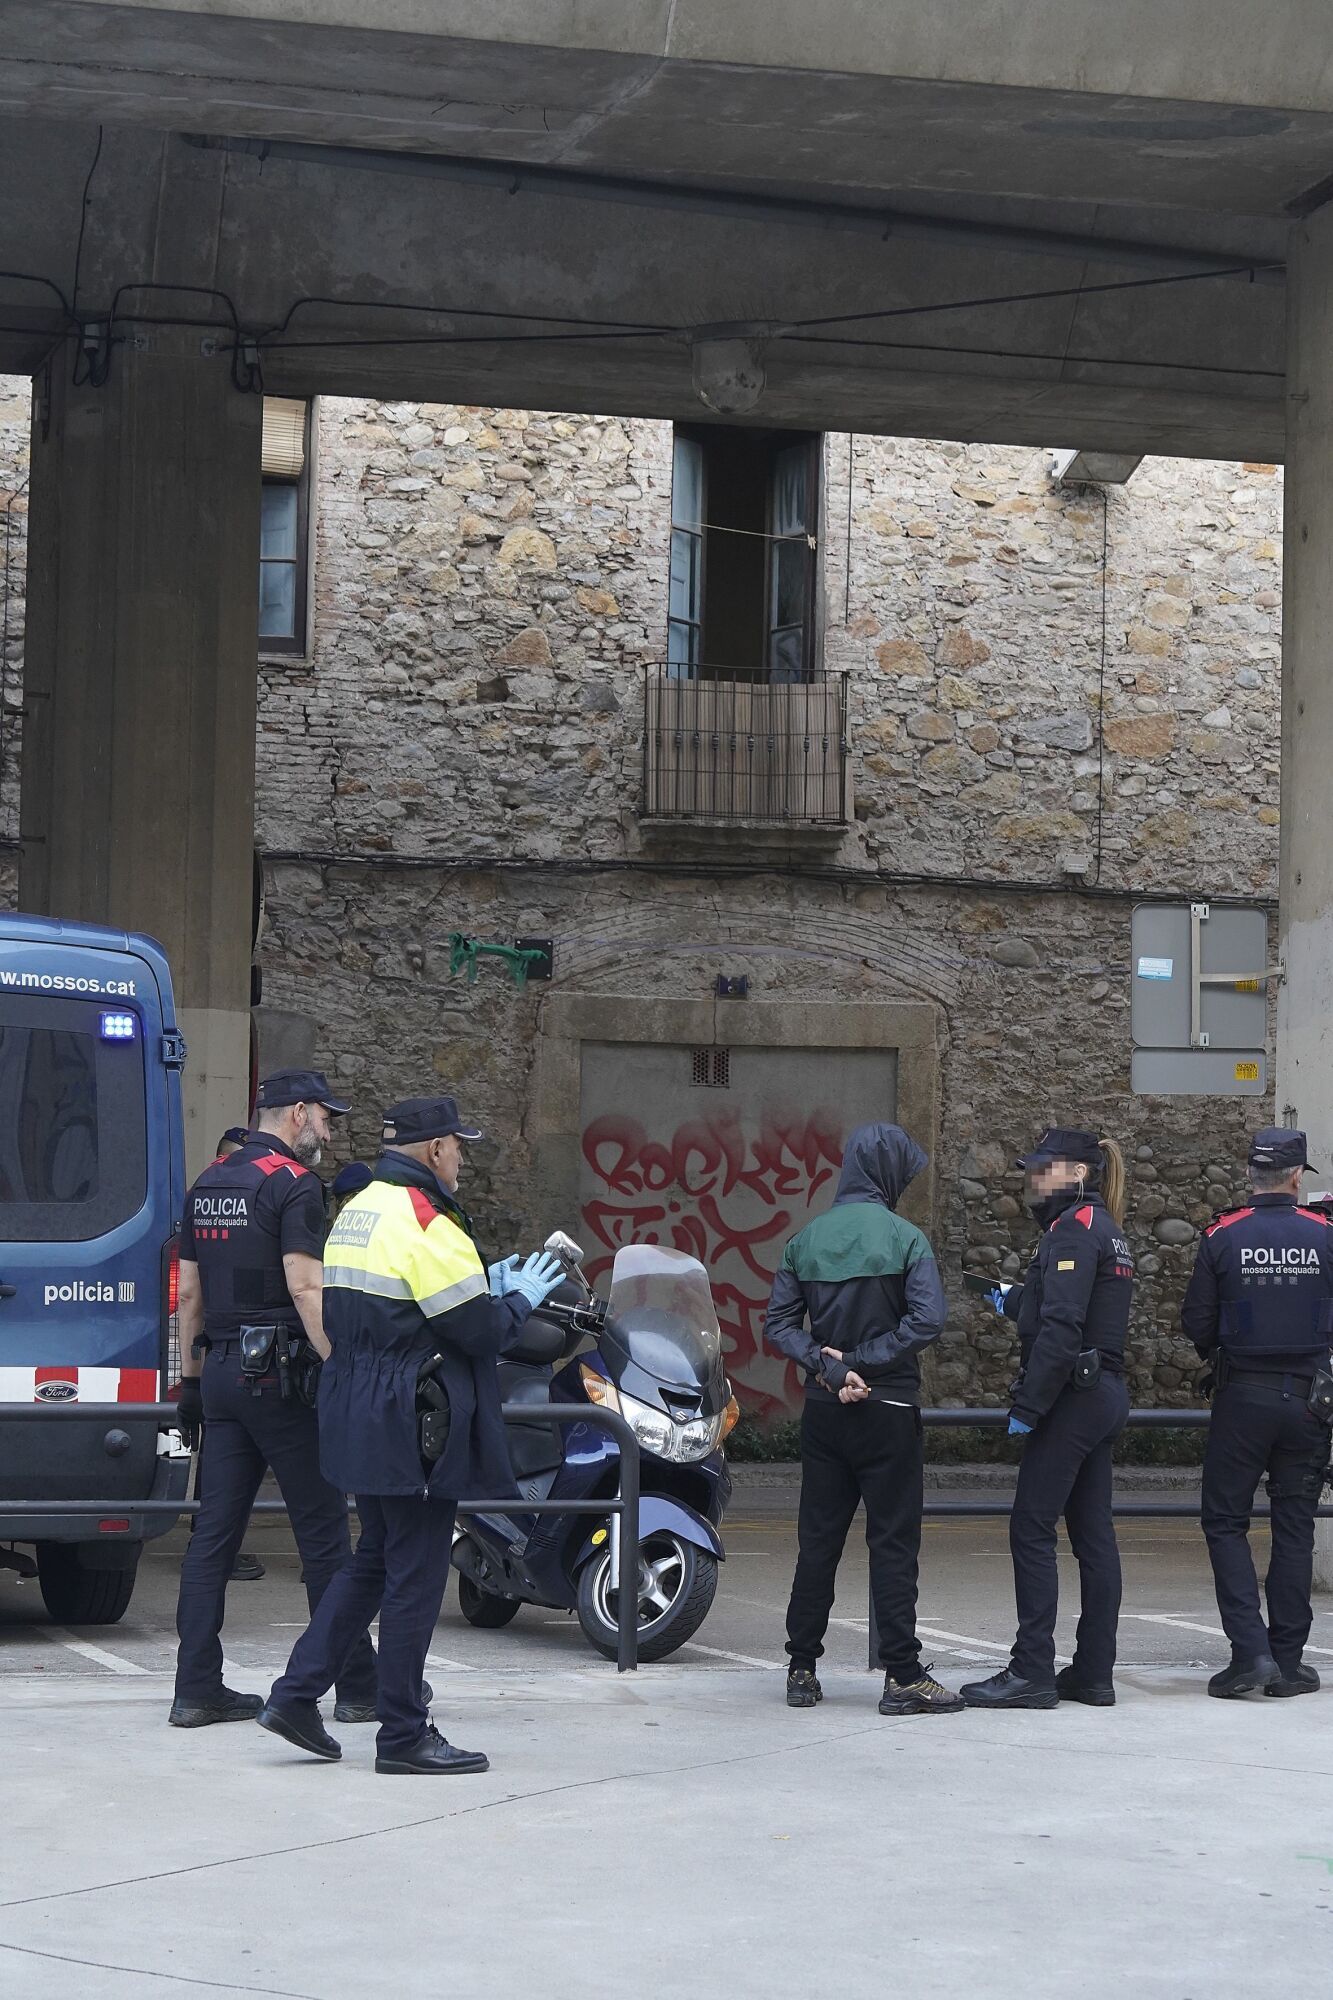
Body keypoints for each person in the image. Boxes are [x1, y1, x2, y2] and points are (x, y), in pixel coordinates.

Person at [256, 1095, 565, 1775]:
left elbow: (398, 1306)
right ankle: (401, 1734)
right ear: (433, 1149)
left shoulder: (358, 1207)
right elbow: (477, 1331)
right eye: (459, 1146)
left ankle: (295, 1695)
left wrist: (483, 1284)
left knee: (372, 1562)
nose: (461, 1158)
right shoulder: (429, 1218)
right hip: (413, 1420)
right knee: (416, 1578)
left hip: (358, 1408)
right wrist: (514, 1299)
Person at [169, 1070, 379, 1728]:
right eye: (325, 1115)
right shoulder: (294, 1186)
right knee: (323, 1539)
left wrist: (192, 1383)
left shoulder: (208, 1183)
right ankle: (355, 1685)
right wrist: (340, 1369)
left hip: (224, 1376)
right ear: (295, 1113)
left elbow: (190, 1296)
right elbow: (306, 1288)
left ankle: (195, 1688)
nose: (330, 1128)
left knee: (212, 1541)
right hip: (283, 1380)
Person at [763, 1123, 960, 1717]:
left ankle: (801, 1667)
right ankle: (902, 1675)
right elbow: (926, 1321)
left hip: (827, 1412)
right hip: (889, 1407)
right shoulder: (907, 1239)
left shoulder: (806, 1238)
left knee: (818, 1541)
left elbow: (778, 1325)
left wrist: (829, 1369)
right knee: (893, 1543)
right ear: (890, 1173)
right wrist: (865, 1363)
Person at [961, 1127, 1132, 1711]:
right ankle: (1092, 1672)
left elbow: (1061, 1331)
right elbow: (1065, 1311)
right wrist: (1013, 1299)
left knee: (1031, 1529)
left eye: (1044, 1169)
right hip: (1102, 1394)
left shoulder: (1073, 1233)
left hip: (1072, 1400)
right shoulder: (1104, 1230)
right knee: (1093, 1537)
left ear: (1078, 1173)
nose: (1033, 1179)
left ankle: (1032, 1670)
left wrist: (1029, 1407)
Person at [1181, 1127, 1333, 1699]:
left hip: (1242, 1395)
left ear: (1251, 1175)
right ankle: (1289, 1662)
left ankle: (1250, 1654)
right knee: (1294, 1524)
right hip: (1311, 1400)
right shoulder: (1325, 1235)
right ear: (1297, 1178)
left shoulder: (1223, 1235)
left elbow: (1196, 1321)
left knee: (1225, 1521)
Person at [187, 1127, 268, 1586]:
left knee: (219, 1458)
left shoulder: (201, 1192)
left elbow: (190, 1291)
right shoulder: (261, 1188)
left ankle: (215, 1538)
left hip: (214, 1349)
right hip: (247, 1352)